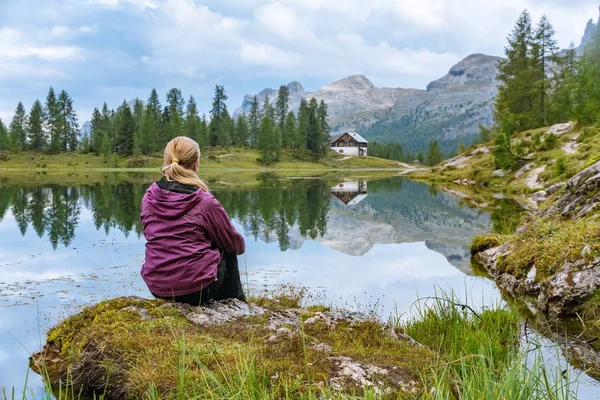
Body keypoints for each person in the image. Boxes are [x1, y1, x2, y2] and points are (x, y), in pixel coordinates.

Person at [140, 136, 246, 306]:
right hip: (197, 290)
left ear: (166, 160)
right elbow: (236, 245)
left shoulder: (149, 196)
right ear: (196, 164)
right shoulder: (205, 202)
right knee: (227, 247)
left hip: (157, 287)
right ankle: (236, 305)